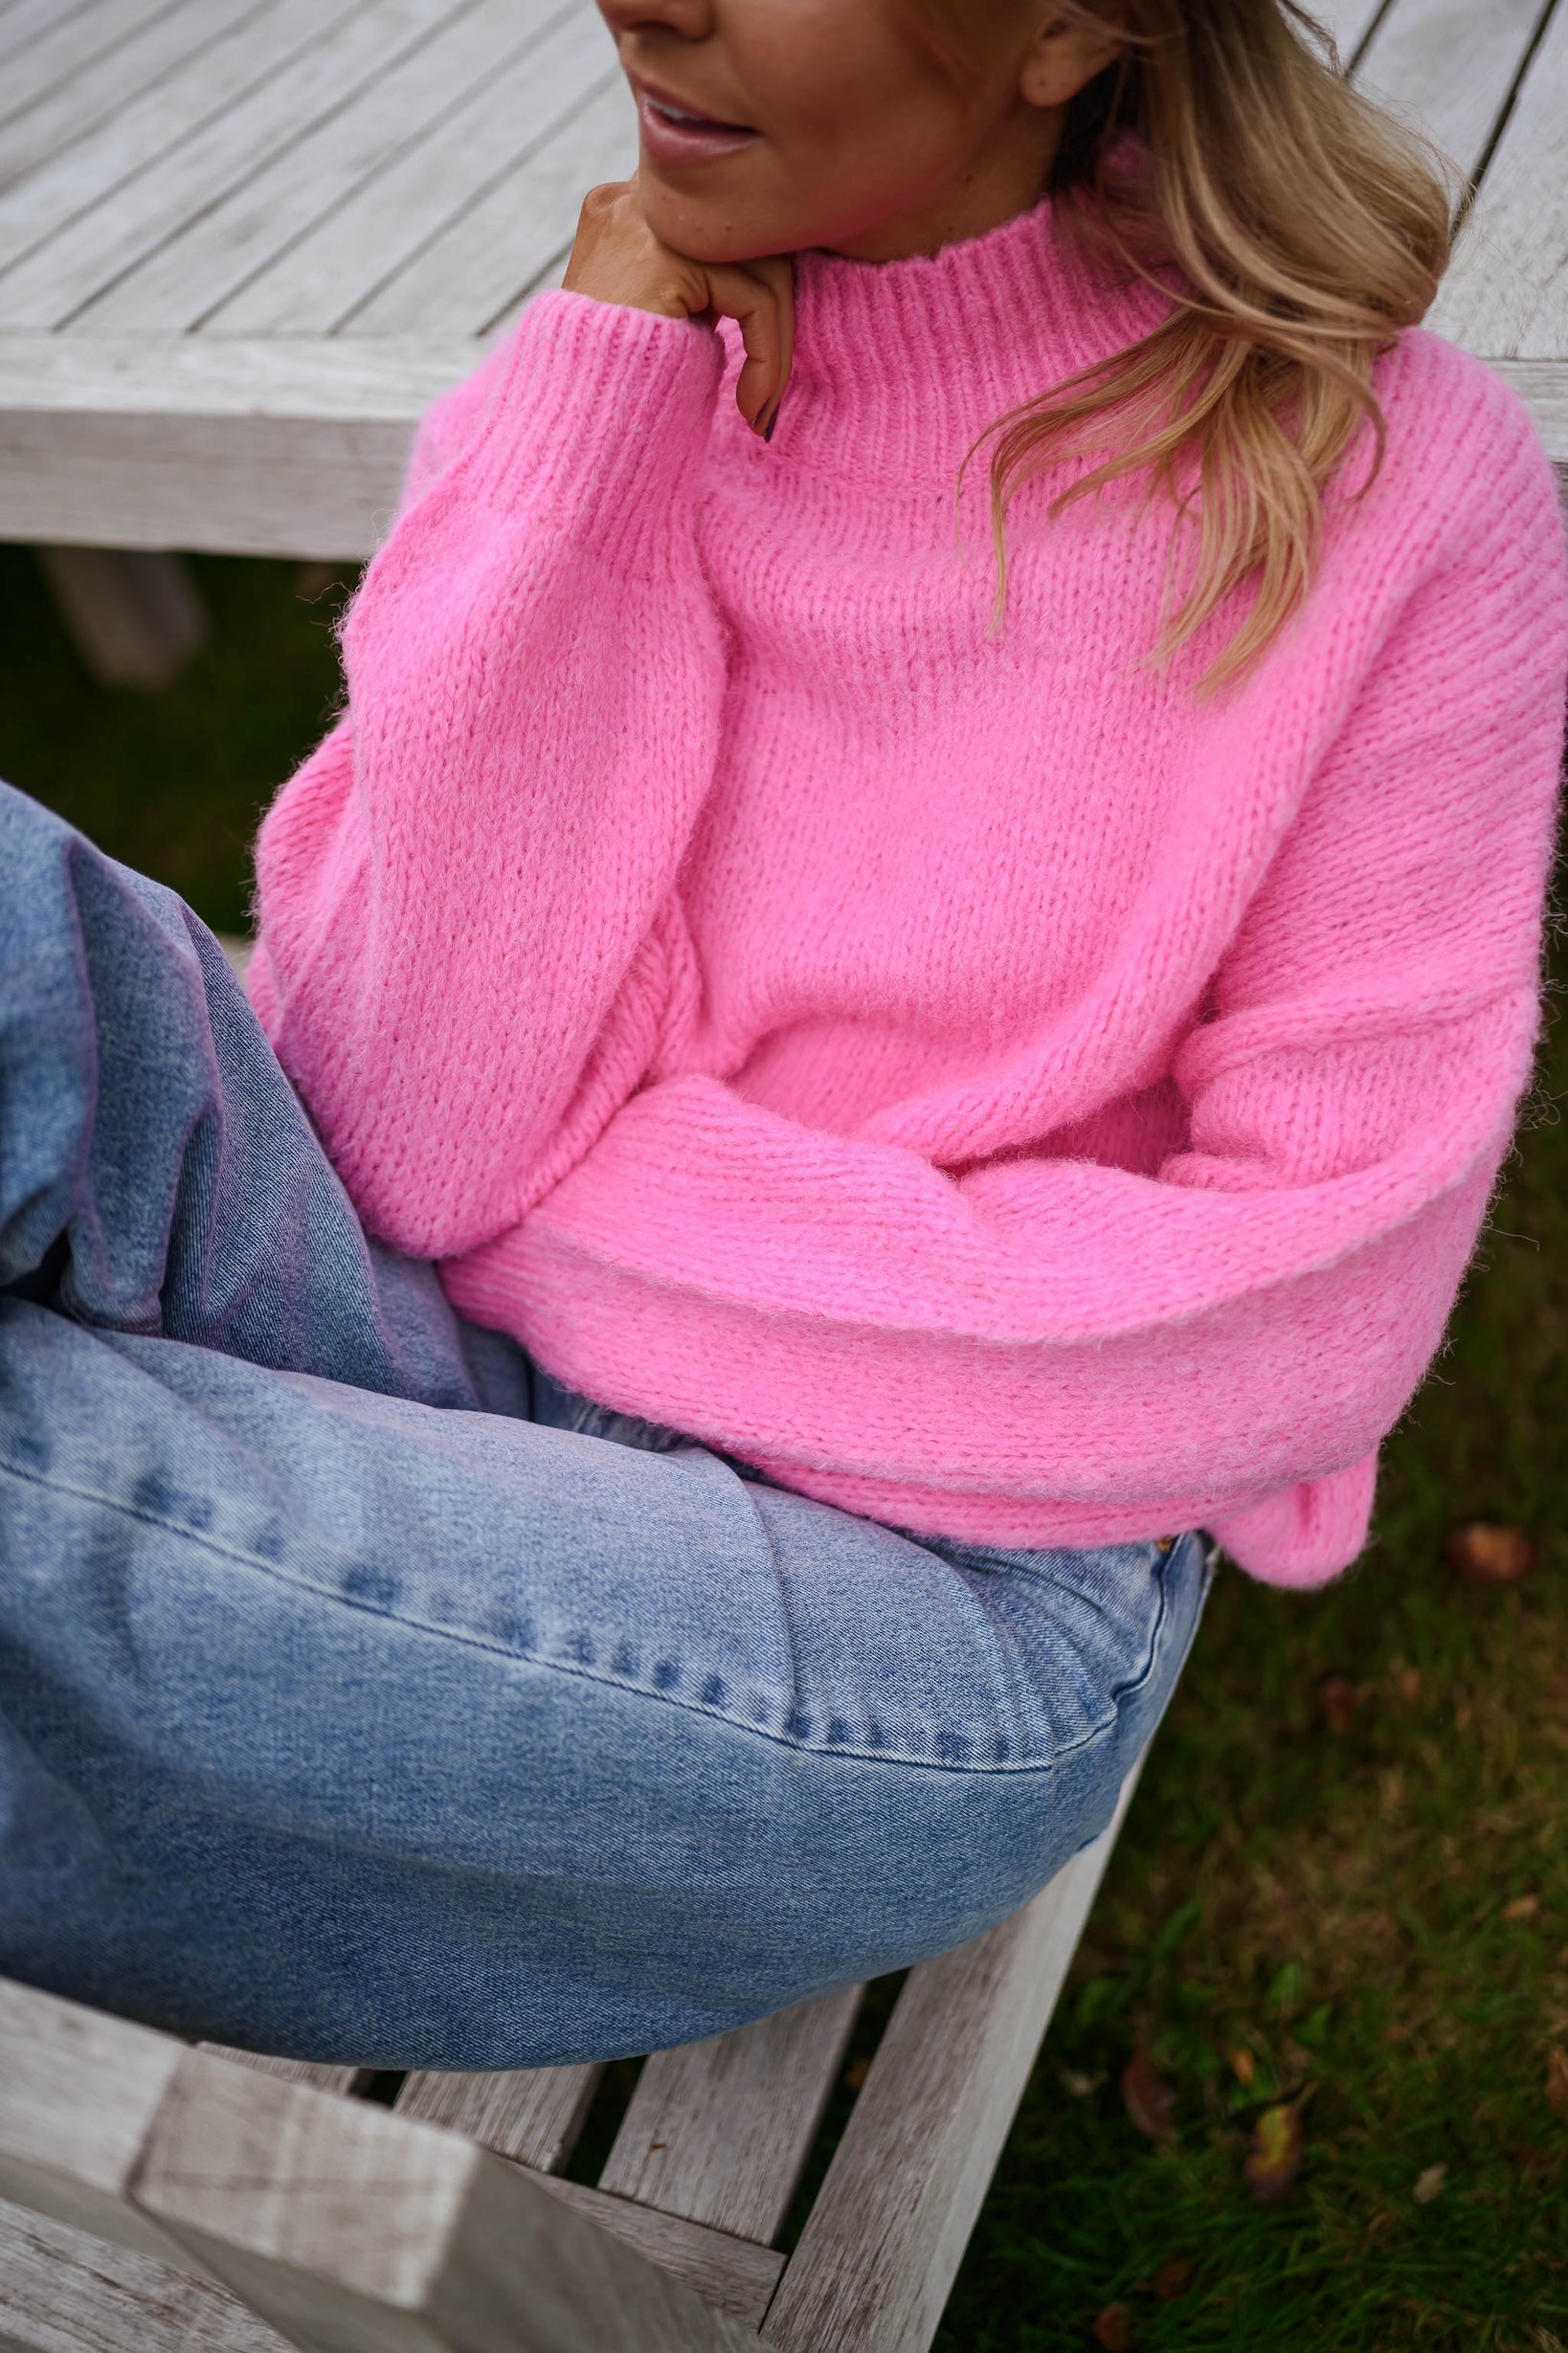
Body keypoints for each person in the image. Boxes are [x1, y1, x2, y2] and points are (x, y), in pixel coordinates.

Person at [0, 0, 1562, 2072]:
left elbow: (1302, 1323)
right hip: (438, 1331)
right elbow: (388, 1131)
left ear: (1073, 27)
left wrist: (565, 1203)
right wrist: (592, 433)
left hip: (948, 1588)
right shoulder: (601, 384)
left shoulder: (1397, 488)